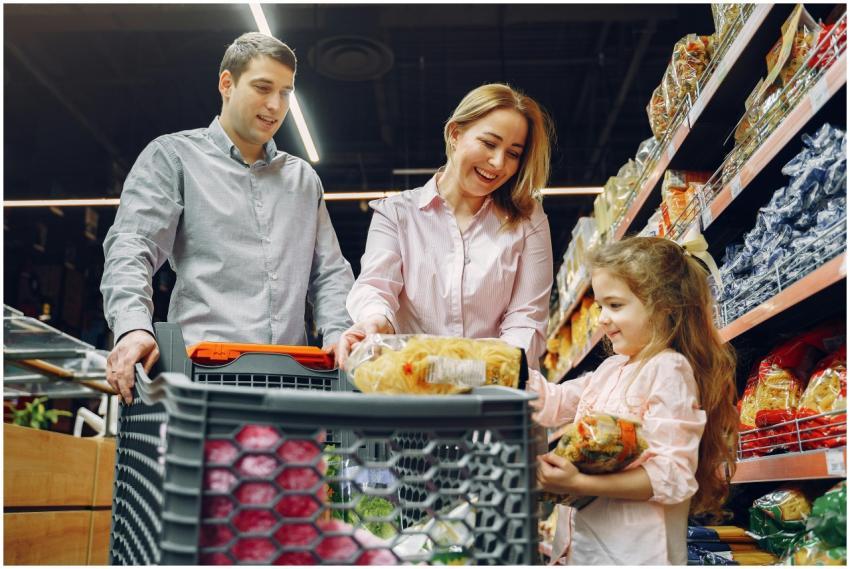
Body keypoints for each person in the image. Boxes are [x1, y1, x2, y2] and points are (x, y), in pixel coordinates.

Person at [101, 33, 354, 403]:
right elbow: (132, 247)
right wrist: (133, 328)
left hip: (292, 385)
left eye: (285, 92)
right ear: (227, 84)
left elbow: (329, 272)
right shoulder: (174, 158)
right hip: (201, 383)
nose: (275, 104)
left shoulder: (303, 180)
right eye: (263, 87)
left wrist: (339, 334)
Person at [531, 236, 738, 565]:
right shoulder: (610, 369)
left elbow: (671, 476)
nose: (601, 319)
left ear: (664, 307)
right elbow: (552, 401)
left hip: (635, 554)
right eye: (600, 306)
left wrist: (578, 482)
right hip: (584, 551)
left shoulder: (668, 369)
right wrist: (499, 366)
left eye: (614, 306)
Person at [335, 83, 555, 370]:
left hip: (494, 393)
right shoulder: (396, 214)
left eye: (513, 153)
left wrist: (480, 370)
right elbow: (376, 287)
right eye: (489, 143)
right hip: (412, 386)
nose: (498, 162)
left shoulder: (528, 219)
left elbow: (527, 318)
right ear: (455, 134)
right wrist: (374, 322)